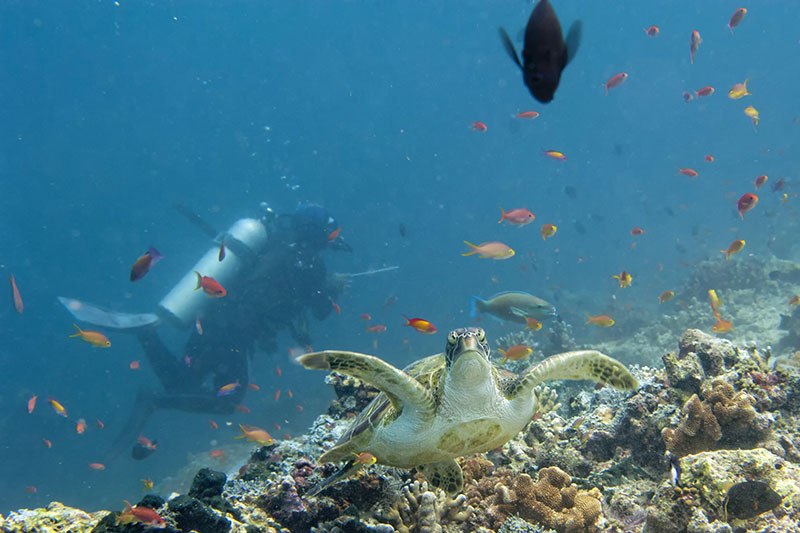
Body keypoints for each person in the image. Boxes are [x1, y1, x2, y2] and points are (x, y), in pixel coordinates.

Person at [109, 203, 350, 458]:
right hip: (234, 332)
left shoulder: (273, 244)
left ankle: (148, 338)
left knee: (182, 380)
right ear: (315, 233)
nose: (329, 238)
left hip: (212, 316)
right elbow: (322, 310)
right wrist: (332, 287)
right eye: (327, 232)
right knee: (227, 400)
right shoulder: (308, 263)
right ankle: (154, 399)